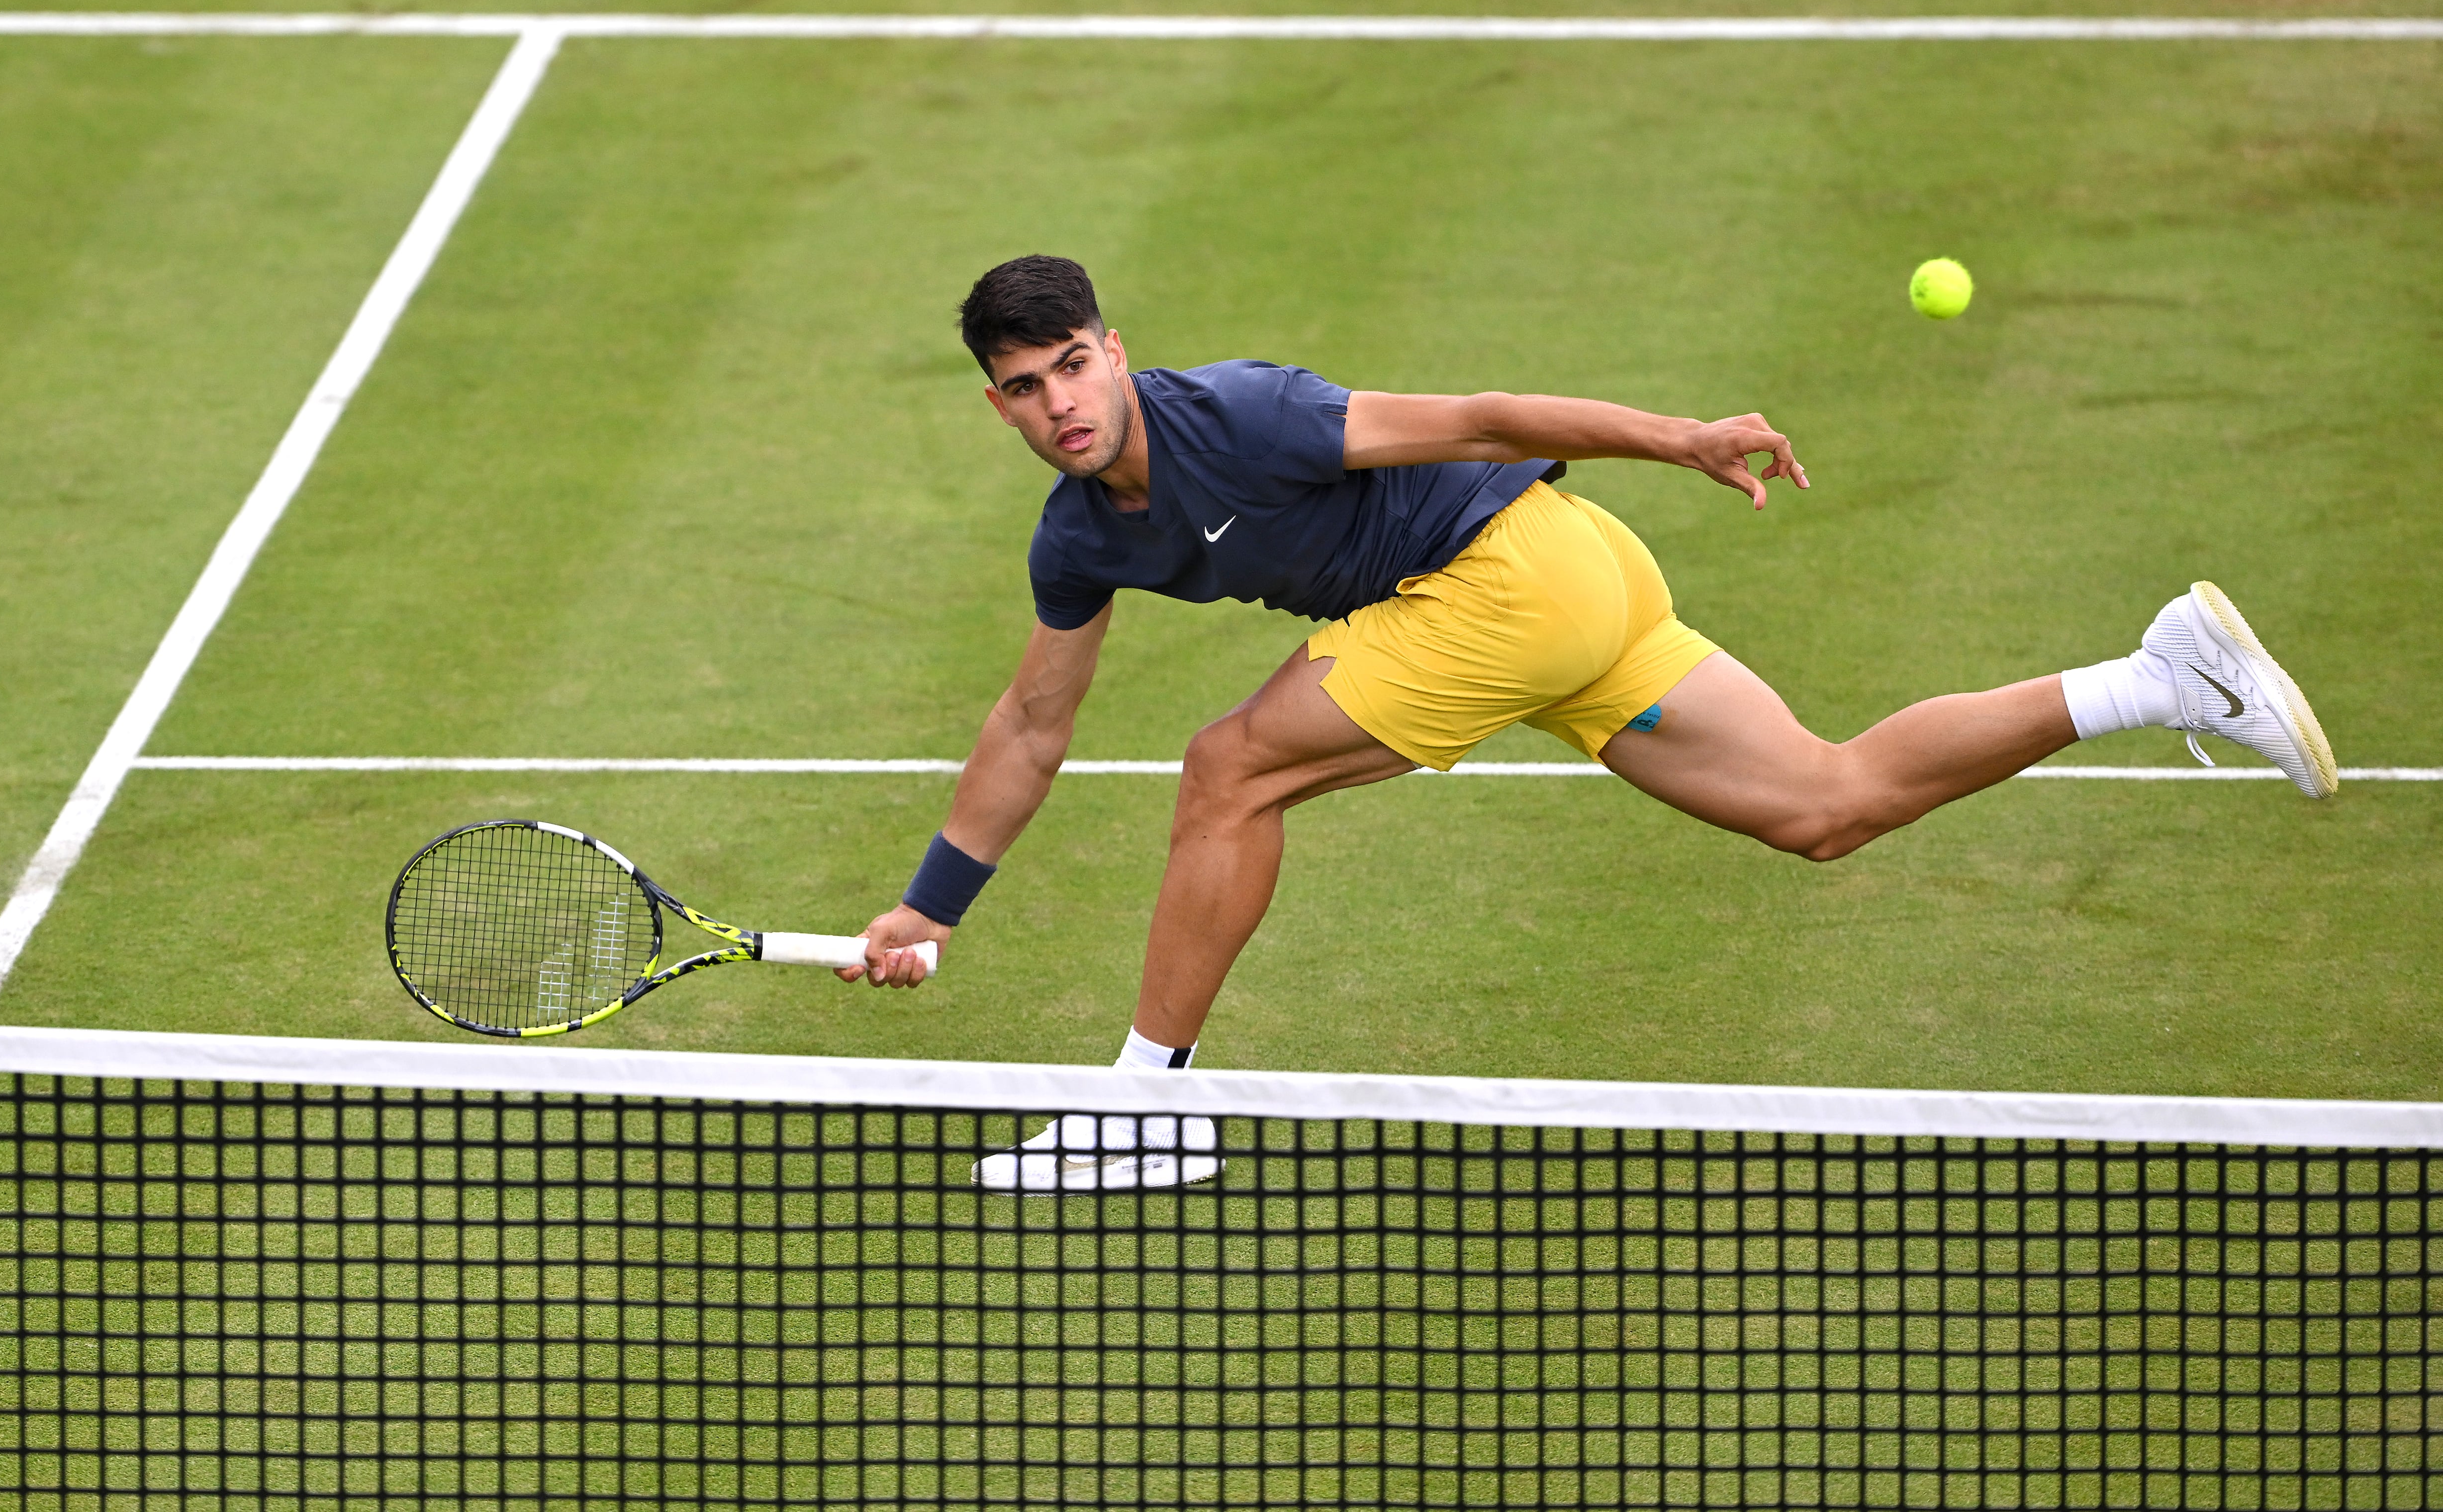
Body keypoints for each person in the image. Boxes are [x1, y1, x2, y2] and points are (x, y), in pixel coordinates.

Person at [845, 255, 2337, 1192]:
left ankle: (1148, 1112)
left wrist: (1680, 437)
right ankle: (2165, 675)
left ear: (1114, 348)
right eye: (1024, 392)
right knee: (1826, 805)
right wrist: (931, 904)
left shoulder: (1242, 416)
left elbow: (1485, 414)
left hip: (1511, 572)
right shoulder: (1078, 539)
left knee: (1228, 770)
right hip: (1575, 586)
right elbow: (1030, 730)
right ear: (1003, 410)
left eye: (1072, 368)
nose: (1059, 406)